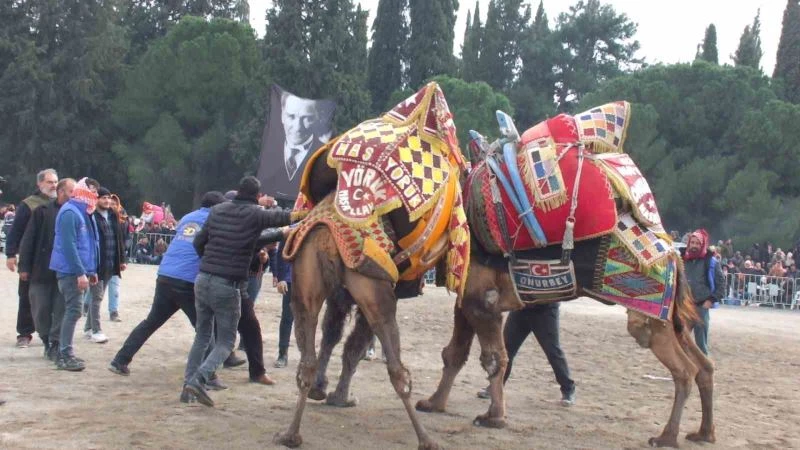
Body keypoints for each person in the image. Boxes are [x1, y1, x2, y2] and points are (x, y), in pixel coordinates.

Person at [181, 176, 291, 407]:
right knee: (225, 342)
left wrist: (209, 263)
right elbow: (286, 217)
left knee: (202, 336)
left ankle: (188, 387)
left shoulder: (218, 210)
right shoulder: (257, 213)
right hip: (228, 285)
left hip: (202, 279)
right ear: (257, 195)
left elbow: (198, 243)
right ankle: (199, 378)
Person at [109, 192, 229, 395]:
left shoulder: (189, 217)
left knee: (151, 321)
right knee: (205, 330)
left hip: (166, 275)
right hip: (188, 280)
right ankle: (208, 376)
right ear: (217, 208)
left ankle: (120, 360)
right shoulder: (215, 219)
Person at [18, 178, 76, 360]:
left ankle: (55, 343)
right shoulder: (41, 212)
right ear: (61, 192)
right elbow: (29, 240)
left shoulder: (75, 213)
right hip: (41, 269)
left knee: (60, 309)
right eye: (71, 191)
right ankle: (45, 339)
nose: (74, 195)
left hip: (64, 271)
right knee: (41, 309)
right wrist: (24, 267)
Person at [476, 304, 577, 406]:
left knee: (553, 352)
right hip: (520, 309)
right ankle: (496, 387)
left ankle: (568, 390)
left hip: (545, 311)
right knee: (505, 352)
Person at [49, 178, 100, 371]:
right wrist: (80, 273)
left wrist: (91, 270)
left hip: (76, 271)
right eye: (92, 190)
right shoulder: (71, 212)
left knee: (72, 310)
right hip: (69, 272)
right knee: (74, 310)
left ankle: (64, 352)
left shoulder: (83, 212)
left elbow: (87, 244)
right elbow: (69, 246)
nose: (95, 195)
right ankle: (64, 354)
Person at [5, 168, 58, 347]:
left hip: (54, 258)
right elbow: (16, 230)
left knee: (53, 297)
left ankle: (51, 334)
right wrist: (11, 254)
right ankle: (24, 333)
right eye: (49, 182)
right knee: (27, 295)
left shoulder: (60, 203)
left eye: (55, 182)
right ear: (40, 183)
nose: (53, 185)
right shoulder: (29, 204)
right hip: (32, 258)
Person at [82, 187, 126, 344]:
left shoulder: (113, 216)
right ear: (96, 199)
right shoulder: (91, 216)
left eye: (108, 198)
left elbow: (118, 238)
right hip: (96, 264)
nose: (107, 201)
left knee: (98, 296)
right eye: (103, 198)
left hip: (110, 263)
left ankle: (87, 328)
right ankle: (96, 330)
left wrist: (121, 260)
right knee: (97, 297)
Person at [681, 229, 725, 355]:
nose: (694, 246)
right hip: (685, 306)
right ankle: (686, 370)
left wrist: (711, 300)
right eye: (692, 242)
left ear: (702, 244)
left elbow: (721, 284)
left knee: (701, 344)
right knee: (681, 340)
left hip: (701, 307)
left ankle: (706, 371)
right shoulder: (683, 260)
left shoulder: (711, 262)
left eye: (697, 243)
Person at [282, 93, 326, 180]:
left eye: (307, 118)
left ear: (318, 118)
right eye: (291, 116)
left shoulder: (324, 154)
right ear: (282, 116)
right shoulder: (269, 149)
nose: (298, 127)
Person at [272, 230, 295, 368]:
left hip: (312, 282)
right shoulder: (293, 229)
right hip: (291, 280)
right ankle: (282, 353)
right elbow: (282, 254)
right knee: (287, 318)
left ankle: (307, 354)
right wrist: (281, 278)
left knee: (309, 318)